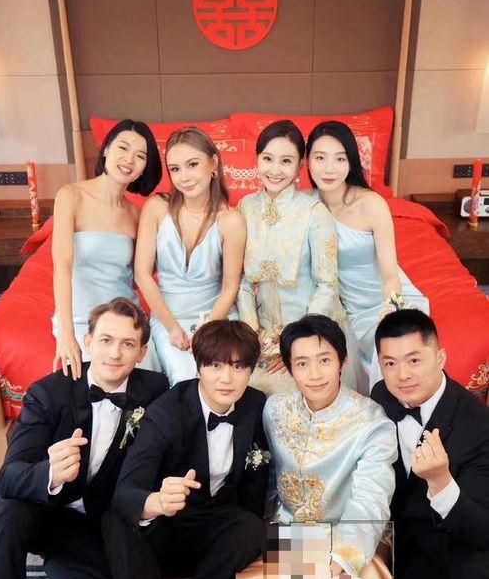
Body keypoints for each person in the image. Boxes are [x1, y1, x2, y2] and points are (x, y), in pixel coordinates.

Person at [225, 314, 414, 579]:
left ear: (342, 361)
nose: (314, 374)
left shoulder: (371, 422)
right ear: (288, 368)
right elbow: (267, 482)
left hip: (352, 537)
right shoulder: (275, 410)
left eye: (324, 360)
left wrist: (340, 558)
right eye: (301, 363)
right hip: (286, 537)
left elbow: (372, 498)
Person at [0, 298, 168, 579]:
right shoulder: (48, 393)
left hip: (92, 527)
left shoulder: (155, 392)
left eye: (127, 343)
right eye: (105, 340)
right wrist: (50, 473)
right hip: (42, 510)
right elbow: (9, 476)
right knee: (8, 505)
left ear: (142, 352)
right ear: (87, 342)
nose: (114, 353)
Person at [102, 320, 269, 579]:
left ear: (251, 370)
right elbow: (126, 491)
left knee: (251, 528)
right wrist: (156, 502)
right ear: (198, 367)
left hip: (215, 528)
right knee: (116, 521)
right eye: (215, 365)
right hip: (166, 527)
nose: (226, 378)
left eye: (238, 366)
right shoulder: (167, 411)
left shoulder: (258, 407)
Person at [372, 309, 489, 579]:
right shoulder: (380, 398)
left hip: (461, 545)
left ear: (440, 358)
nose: (402, 375)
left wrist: (441, 481)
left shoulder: (477, 423)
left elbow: (480, 529)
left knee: (474, 568)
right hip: (409, 548)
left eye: (414, 360)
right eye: (390, 363)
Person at [237, 120, 363, 397]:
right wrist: (253, 337)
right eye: (267, 159)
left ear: (299, 166)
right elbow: (242, 282)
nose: (275, 170)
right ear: (256, 159)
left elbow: (327, 285)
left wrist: (296, 344)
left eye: (286, 161)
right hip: (259, 340)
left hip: (308, 336)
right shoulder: (245, 207)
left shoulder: (314, 212)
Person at [306, 120, 429, 390]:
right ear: (307, 161)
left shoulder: (371, 204)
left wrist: (390, 315)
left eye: (340, 158)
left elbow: (390, 275)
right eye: (320, 158)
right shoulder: (305, 205)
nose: (329, 168)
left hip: (389, 298)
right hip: (349, 309)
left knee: (394, 350)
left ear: (351, 162)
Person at [52, 119, 163, 379]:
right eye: (123, 148)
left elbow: (145, 272)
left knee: (148, 383)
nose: (129, 160)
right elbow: (62, 267)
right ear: (106, 150)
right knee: (94, 383)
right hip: (82, 317)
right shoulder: (71, 196)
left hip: (125, 317)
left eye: (140, 156)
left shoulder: (137, 214)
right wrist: (67, 333)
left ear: (144, 167)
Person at [135, 127, 246, 386]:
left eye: (192, 164)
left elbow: (230, 287)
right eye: (175, 169)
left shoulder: (231, 220)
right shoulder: (156, 208)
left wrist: (206, 331)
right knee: (184, 377)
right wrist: (172, 328)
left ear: (213, 163)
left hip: (216, 318)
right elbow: (142, 275)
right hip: (167, 317)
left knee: (217, 377)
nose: (184, 177)